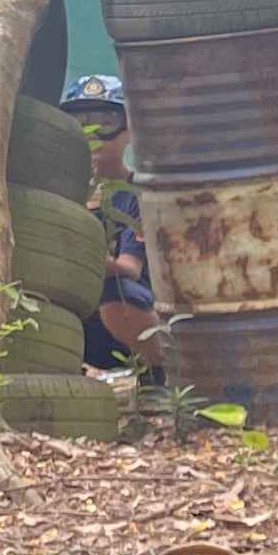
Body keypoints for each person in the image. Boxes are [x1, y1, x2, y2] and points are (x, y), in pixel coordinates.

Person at [61, 74, 158, 371]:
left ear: (129, 128)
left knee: (115, 291)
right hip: (73, 326)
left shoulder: (138, 194)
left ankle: (158, 370)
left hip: (129, 320)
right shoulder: (60, 197)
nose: (94, 135)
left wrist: (83, 258)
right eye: (82, 123)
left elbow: (130, 269)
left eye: (107, 122)